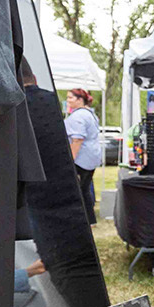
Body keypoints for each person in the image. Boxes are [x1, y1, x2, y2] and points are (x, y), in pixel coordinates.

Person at [64, 88, 103, 225]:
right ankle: (89, 219)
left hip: (82, 158)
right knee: (84, 189)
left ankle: (82, 219)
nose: (67, 100)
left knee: (78, 190)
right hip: (91, 156)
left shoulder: (79, 116)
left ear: (80, 100)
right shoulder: (89, 114)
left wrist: (71, 160)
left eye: (70, 98)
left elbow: (77, 140)